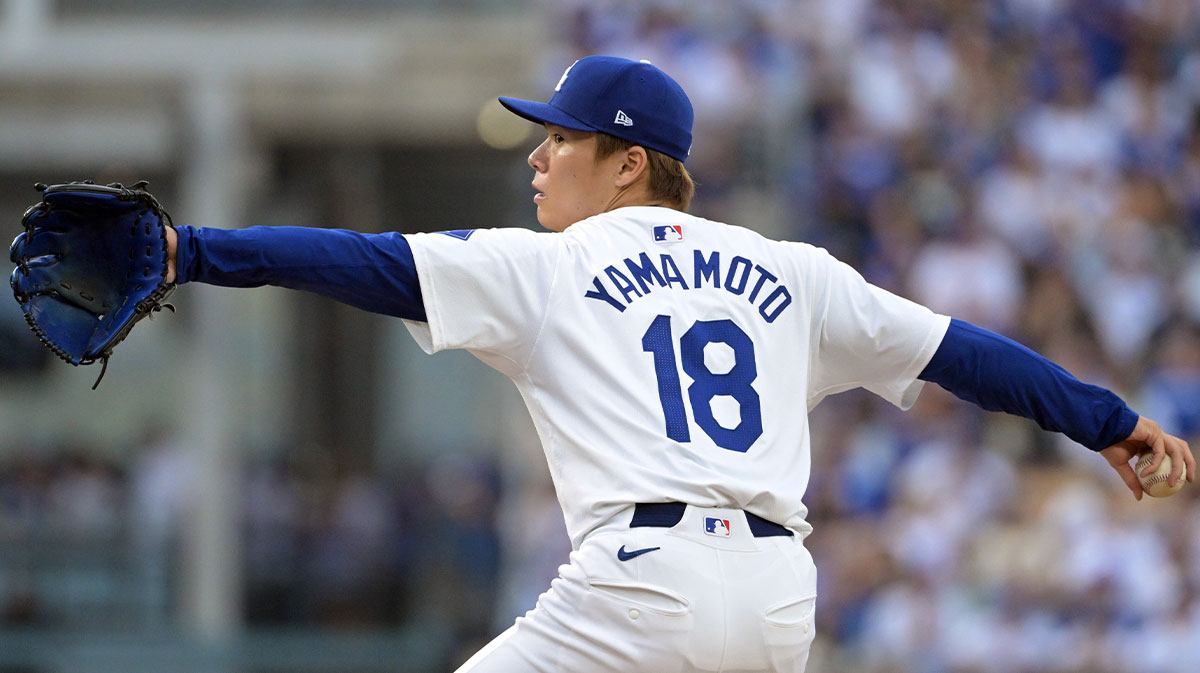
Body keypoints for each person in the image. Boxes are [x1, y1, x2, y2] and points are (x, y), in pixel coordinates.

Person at [162, 56, 1193, 673]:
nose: (536, 156)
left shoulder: (549, 267)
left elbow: (362, 264)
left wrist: (192, 250)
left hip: (638, 591)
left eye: (559, 138)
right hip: (779, 596)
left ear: (629, 163)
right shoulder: (793, 270)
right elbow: (965, 354)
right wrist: (1104, 418)